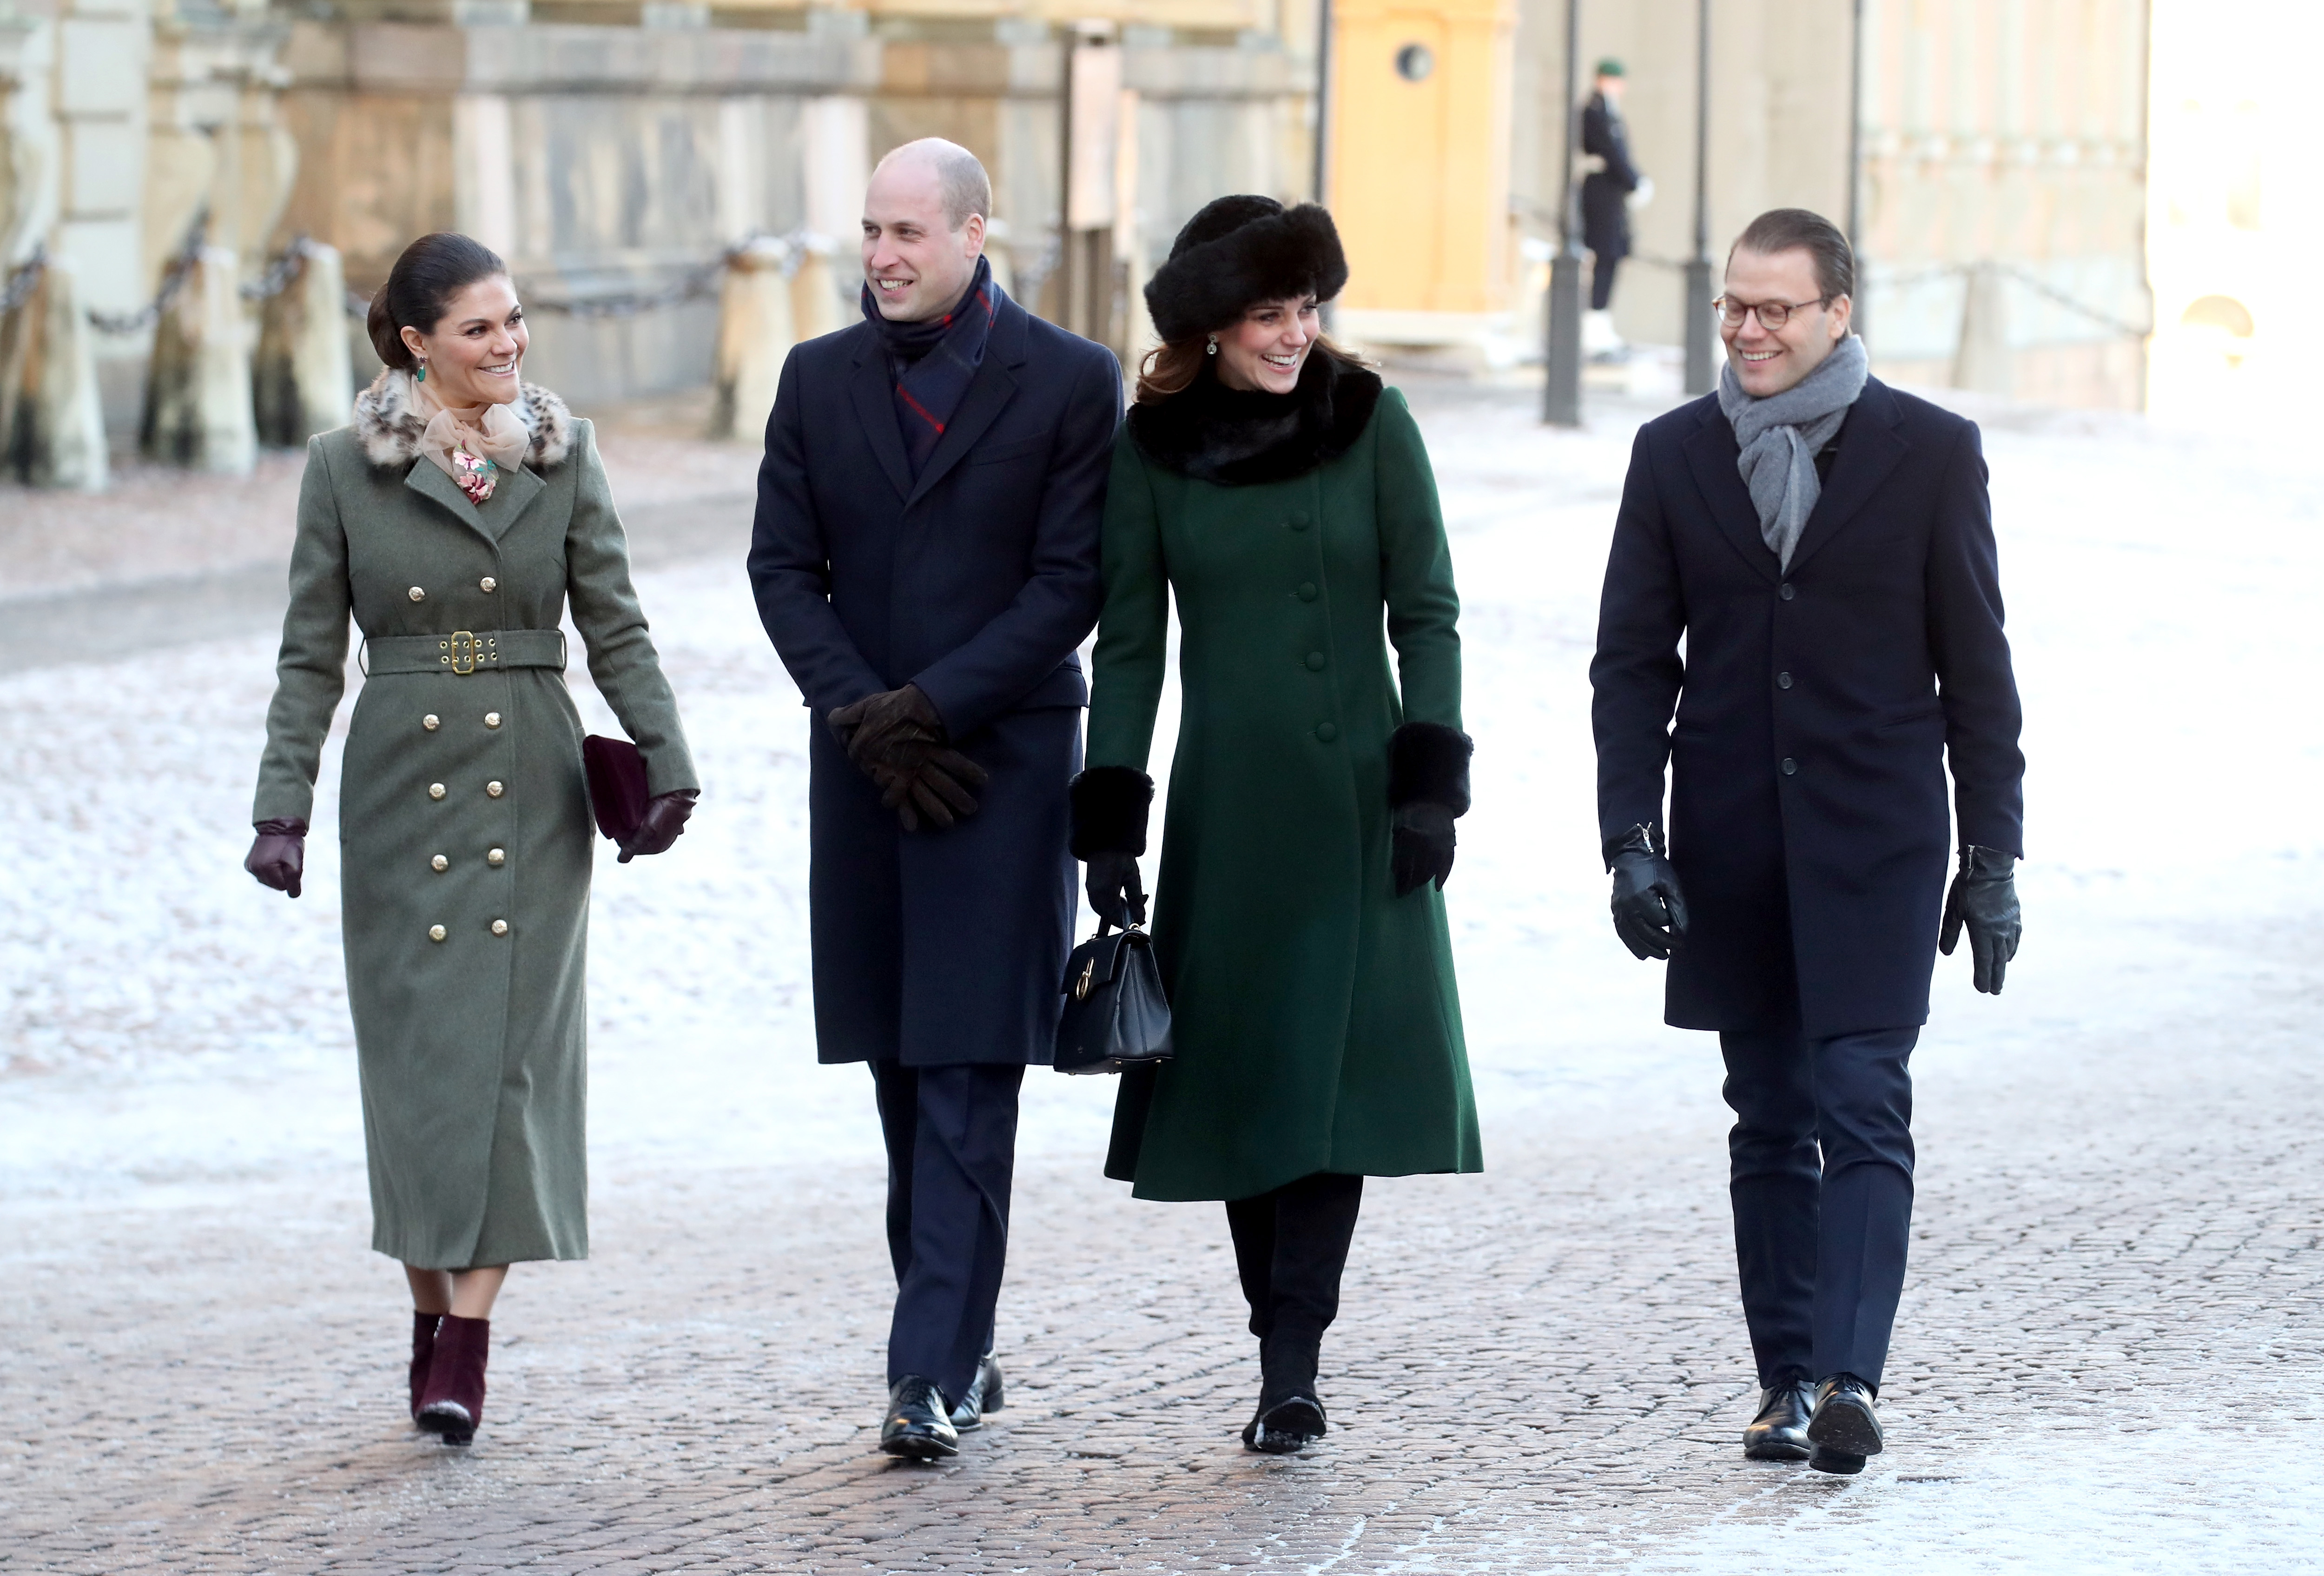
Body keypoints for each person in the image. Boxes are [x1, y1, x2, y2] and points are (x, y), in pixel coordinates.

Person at [1589, 207, 2024, 1475]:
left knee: (1864, 1102)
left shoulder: (1932, 453)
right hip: (1729, 845)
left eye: (1776, 308)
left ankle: (1852, 1378)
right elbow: (1630, 666)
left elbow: (1979, 674)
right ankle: (1784, 1379)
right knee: (1769, 1113)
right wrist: (1631, 838)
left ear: (1839, 311)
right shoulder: (1674, 454)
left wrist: (1993, 854)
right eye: (1735, 305)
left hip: (1880, 840)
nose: (1749, 329)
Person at [246, 231, 700, 1446]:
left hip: (527, 778)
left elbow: (616, 622)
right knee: (413, 1071)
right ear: (415, 341)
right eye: (479, 329)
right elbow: (306, 653)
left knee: (511, 1061)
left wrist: (669, 759)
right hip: (397, 778)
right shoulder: (345, 467)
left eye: (514, 322)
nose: (509, 346)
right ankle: (427, 1302)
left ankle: (470, 1335)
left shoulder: (565, 452)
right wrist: (280, 804)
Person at [1074, 195, 1482, 1455]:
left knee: (1329, 1097)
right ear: (1208, 327)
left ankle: (1292, 1363)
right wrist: (1111, 808)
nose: (1296, 333)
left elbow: (1429, 608)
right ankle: (1278, 1338)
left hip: (1358, 808)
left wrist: (1430, 775)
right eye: (1268, 313)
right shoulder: (1152, 449)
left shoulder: (1372, 420)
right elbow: (1133, 647)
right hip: (1231, 818)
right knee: (1251, 1088)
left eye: (1307, 308)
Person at [746, 139, 1119, 1461]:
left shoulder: (1075, 380)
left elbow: (1071, 580)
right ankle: (955, 1330)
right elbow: (784, 568)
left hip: (999, 769)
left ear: (974, 232)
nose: (883, 256)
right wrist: (867, 715)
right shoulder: (814, 376)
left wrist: (938, 707)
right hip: (863, 770)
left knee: (970, 1064)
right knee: (903, 1070)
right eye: (870, 231)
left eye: (909, 232)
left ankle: (927, 1369)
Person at [1579, 58, 1647, 361]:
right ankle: (1594, 325)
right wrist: (1635, 181)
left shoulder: (1607, 110)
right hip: (1602, 192)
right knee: (1604, 255)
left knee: (1612, 256)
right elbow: (1611, 151)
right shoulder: (1595, 110)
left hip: (1611, 192)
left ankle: (1600, 322)